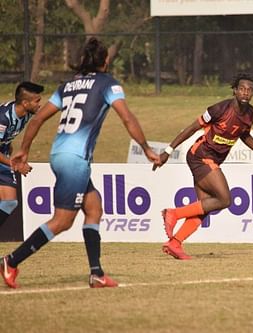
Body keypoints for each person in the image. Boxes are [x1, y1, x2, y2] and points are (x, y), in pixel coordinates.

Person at [0, 37, 161, 289]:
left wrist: (24, 150)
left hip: (60, 154)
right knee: (62, 221)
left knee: (94, 208)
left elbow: (36, 120)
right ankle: (11, 260)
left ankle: (96, 273)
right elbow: (127, 118)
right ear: (105, 60)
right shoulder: (108, 83)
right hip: (74, 159)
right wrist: (147, 148)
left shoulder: (68, 86)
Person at [153, 72, 253, 260]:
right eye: (242, 89)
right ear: (234, 91)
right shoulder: (219, 109)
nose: (245, 93)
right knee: (224, 199)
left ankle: (175, 243)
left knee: (204, 207)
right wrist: (167, 151)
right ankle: (172, 213)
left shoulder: (250, 113)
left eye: (249, 90)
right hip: (200, 155)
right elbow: (192, 128)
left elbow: (244, 135)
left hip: (212, 159)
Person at [0, 82, 44, 231]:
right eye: (37, 101)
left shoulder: (26, 114)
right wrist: (16, 165)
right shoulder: (3, 118)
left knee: (9, 202)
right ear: (25, 103)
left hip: (3, 153)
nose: (40, 104)